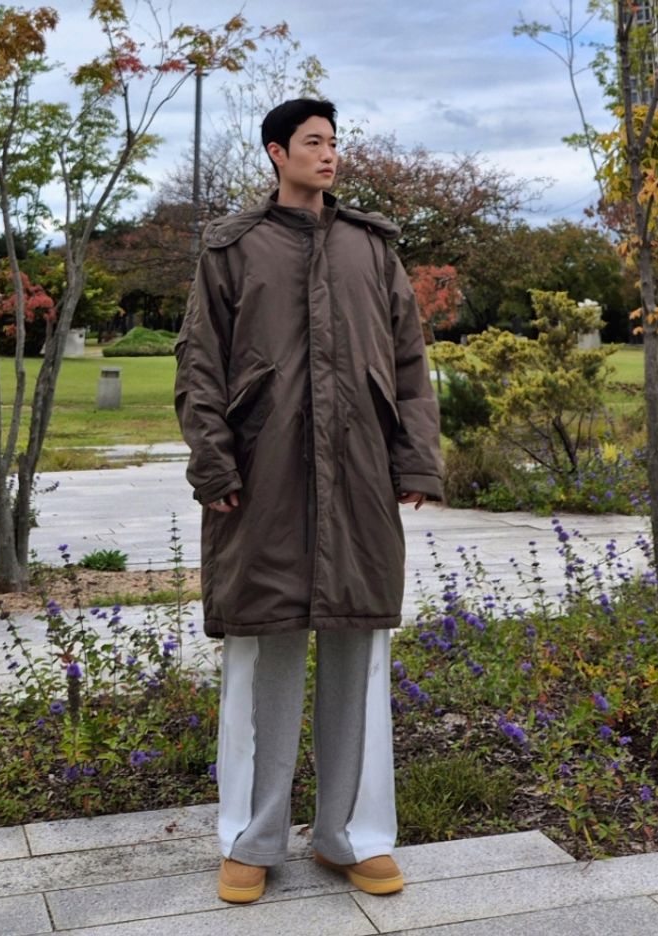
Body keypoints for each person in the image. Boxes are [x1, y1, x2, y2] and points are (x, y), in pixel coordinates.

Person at [174, 98, 443, 904]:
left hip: (360, 476)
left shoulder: (371, 247)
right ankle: (251, 840)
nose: (329, 155)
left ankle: (350, 837)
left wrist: (415, 458)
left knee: (358, 651)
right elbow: (199, 363)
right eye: (313, 142)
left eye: (333, 142)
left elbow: (409, 361)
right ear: (275, 152)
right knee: (264, 653)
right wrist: (214, 464)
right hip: (263, 478)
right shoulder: (232, 248)